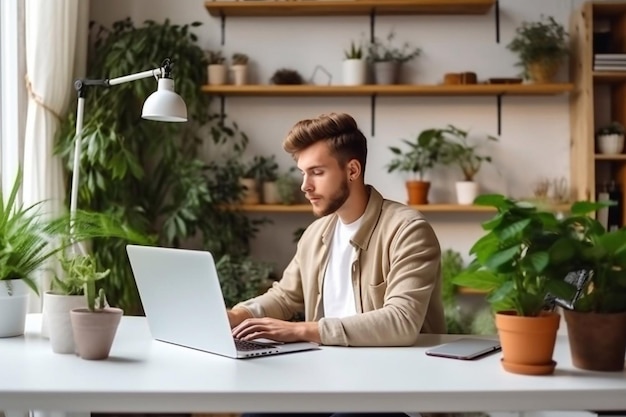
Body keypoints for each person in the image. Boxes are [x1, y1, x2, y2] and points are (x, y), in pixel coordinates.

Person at [228, 112, 446, 349]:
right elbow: (284, 297)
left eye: (317, 172)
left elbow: (402, 321)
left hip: (395, 372)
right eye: (303, 173)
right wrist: (236, 316)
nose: (305, 186)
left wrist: (301, 330)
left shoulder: (407, 230)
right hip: (328, 369)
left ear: (352, 170)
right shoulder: (315, 234)